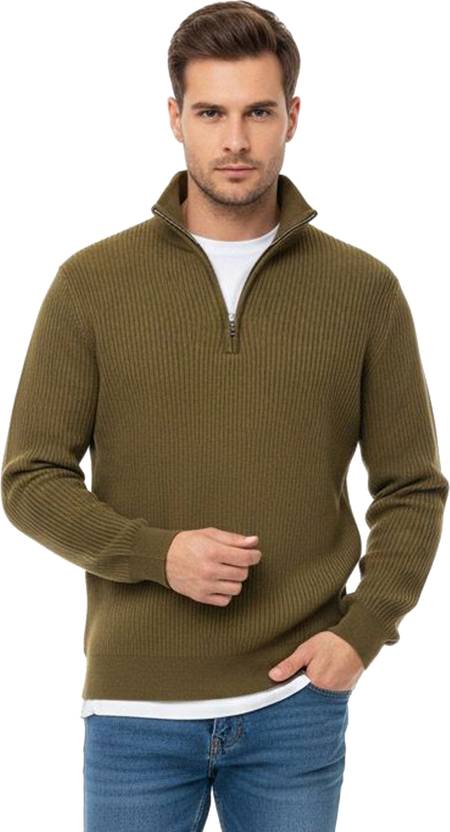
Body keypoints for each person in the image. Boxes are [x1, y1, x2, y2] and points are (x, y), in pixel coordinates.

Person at [2, 2, 448, 830]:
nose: (235, 140)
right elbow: (29, 479)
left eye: (258, 113)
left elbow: (413, 488)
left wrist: (363, 631)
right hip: (135, 709)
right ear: (175, 118)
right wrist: (157, 554)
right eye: (211, 113)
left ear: (293, 117)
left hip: (295, 705)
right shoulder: (91, 284)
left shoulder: (364, 290)